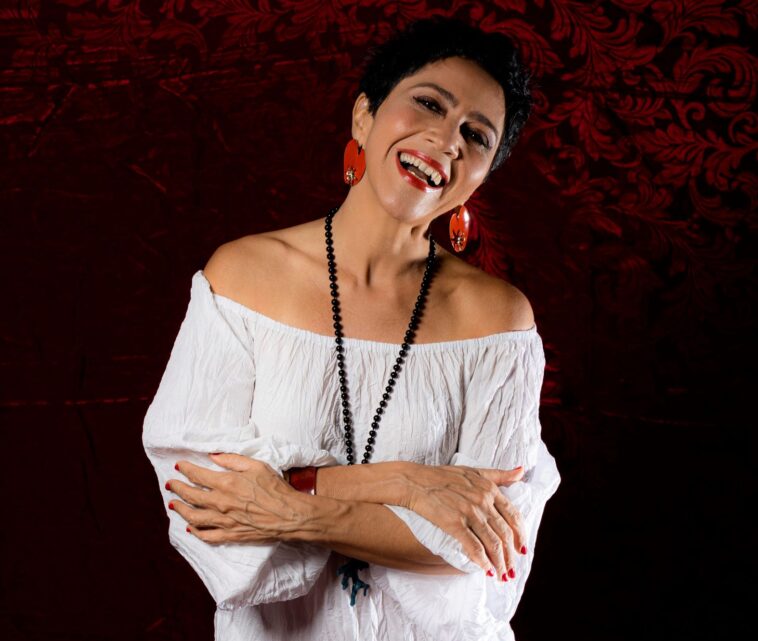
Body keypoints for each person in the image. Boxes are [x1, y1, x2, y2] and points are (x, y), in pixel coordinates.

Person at [142, 16, 560, 641]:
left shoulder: (499, 321)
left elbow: (479, 548)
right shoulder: (242, 277)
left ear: (483, 174)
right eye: (429, 104)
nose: (446, 141)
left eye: (476, 136)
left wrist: (291, 507)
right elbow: (202, 505)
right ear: (364, 116)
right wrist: (405, 484)